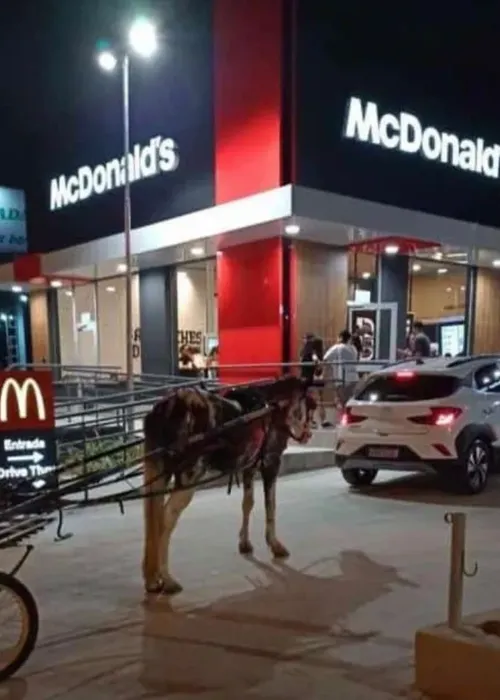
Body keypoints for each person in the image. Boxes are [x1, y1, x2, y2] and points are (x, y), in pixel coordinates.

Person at [323, 329, 359, 408]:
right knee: (350, 402)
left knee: (341, 401)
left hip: (341, 379)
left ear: (340, 337)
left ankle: (343, 417)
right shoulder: (353, 348)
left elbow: (325, 359)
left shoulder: (337, 347)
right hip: (354, 378)